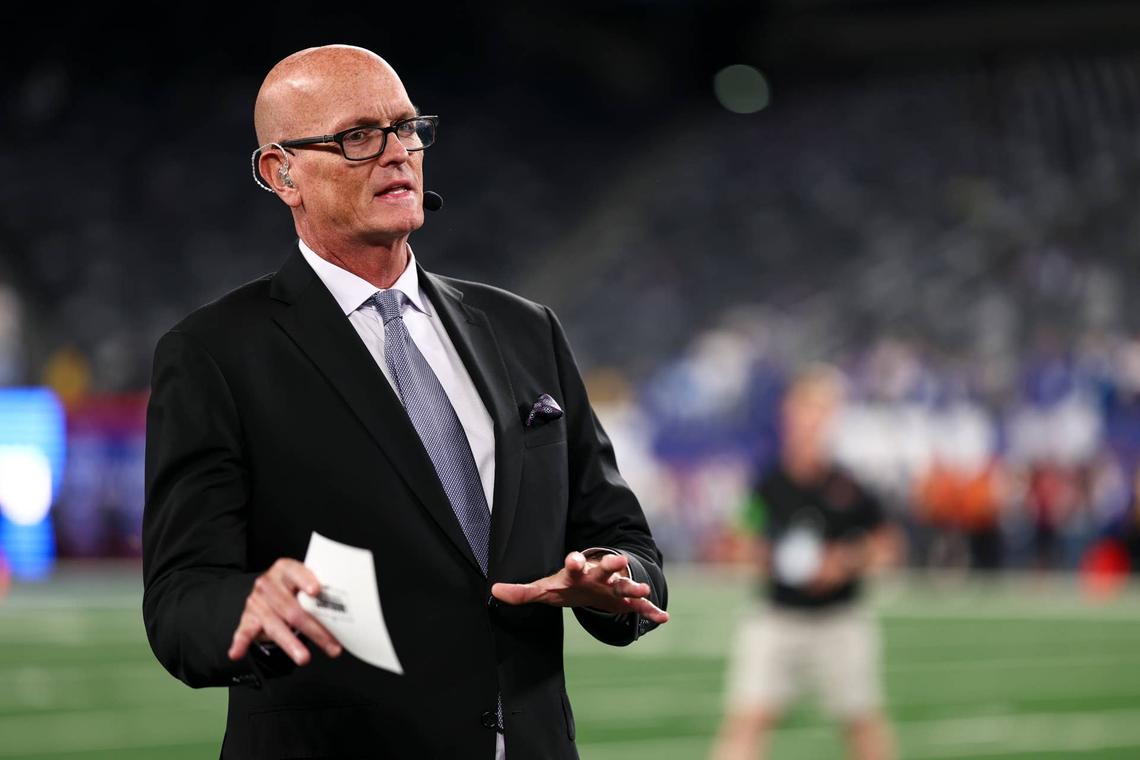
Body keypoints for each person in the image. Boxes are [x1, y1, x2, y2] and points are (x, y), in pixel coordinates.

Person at [142, 45, 668, 759]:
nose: (398, 154)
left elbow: (627, 541)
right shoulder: (215, 354)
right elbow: (179, 600)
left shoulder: (524, 329)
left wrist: (615, 578)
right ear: (281, 172)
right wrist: (248, 609)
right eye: (359, 136)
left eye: (407, 127)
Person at [711, 365, 896, 760]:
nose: (810, 421)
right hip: (779, 615)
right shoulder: (766, 484)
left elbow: (887, 544)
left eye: (820, 411)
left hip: (839, 617)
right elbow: (736, 542)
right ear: (787, 416)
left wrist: (844, 560)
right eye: (803, 410)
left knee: (862, 721)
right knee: (748, 719)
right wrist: (776, 559)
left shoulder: (850, 484)